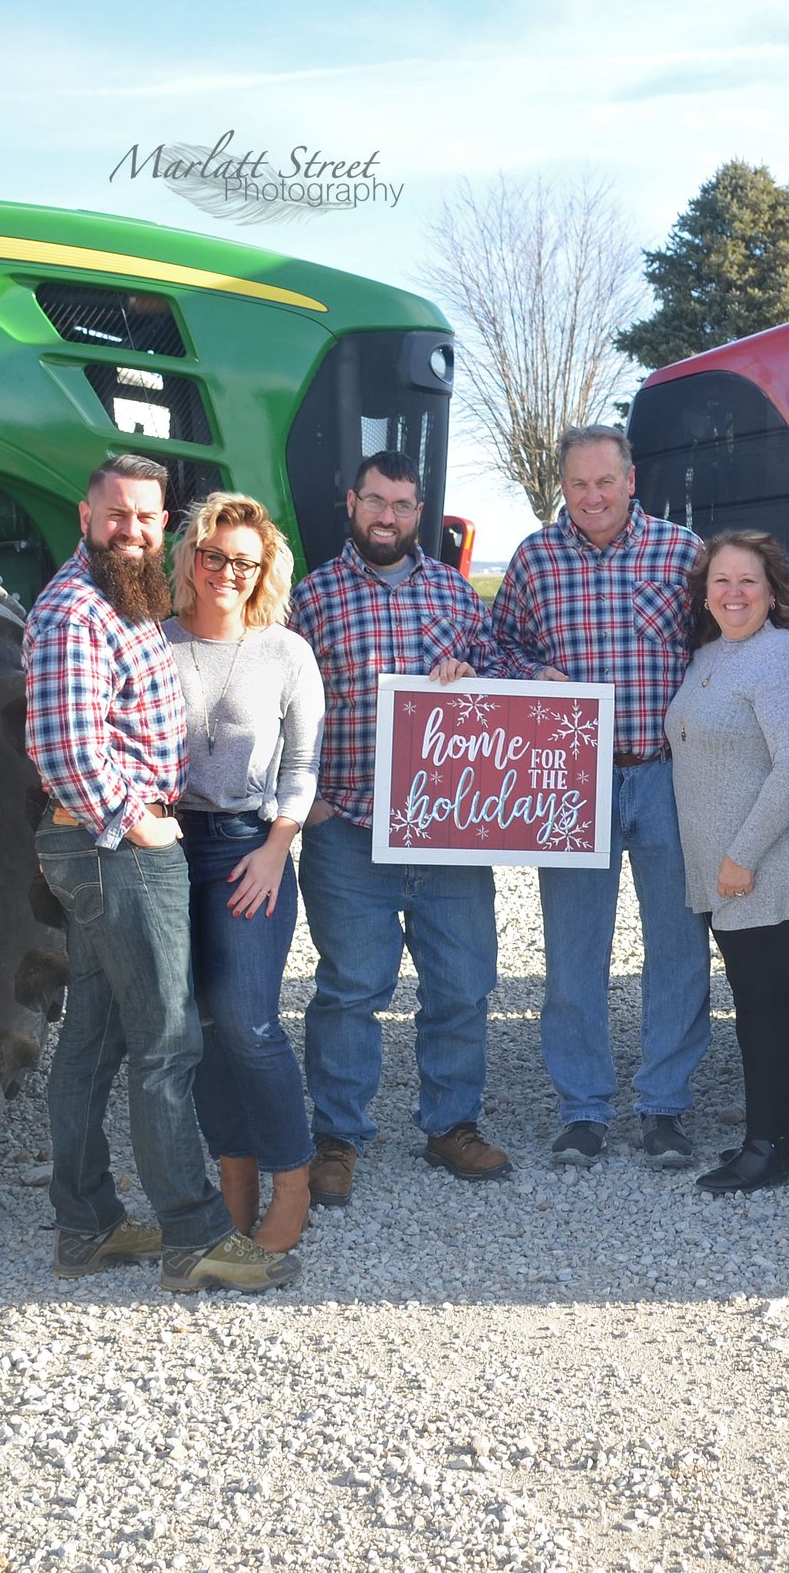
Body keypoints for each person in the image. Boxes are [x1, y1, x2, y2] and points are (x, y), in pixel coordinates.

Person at [24, 453, 298, 1293]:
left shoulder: (123, 599)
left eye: (147, 517)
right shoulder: (76, 610)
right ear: (86, 515)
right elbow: (66, 745)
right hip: (115, 847)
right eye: (117, 514)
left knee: (94, 1036)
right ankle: (194, 1236)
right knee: (169, 1043)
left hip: (103, 845)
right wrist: (137, 820)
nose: (132, 530)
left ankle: (87, 1226)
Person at [287, 452, 515, 1206]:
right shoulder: (312, 598)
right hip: (348, 827)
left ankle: (452, 1125)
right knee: (351, 990)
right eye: (376, 501)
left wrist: (474, 679)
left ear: (421, 514)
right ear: (352, 504)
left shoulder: (456, 593)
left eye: (403, 505)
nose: (388, 517)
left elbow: (502, 693)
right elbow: (281, 703)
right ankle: (338, 1137)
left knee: (463, 986)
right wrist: (307, 801)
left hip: (448, 834)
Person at [491, 425, 711, 1169]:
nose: (592, 497)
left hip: (665, 774)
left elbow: (721, 647)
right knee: (572, 953)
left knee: (677, 948)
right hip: (570, 779)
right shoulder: (534, 558)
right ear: (562, 486)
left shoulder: (682, 553)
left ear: (631, 480)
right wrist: (531, 675)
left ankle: (664, 1107)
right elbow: (500, 645)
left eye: (605, 481)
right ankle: (583, 1109)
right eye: (578, 484)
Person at [163, 492, 324, 1255]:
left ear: (264, 574)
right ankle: (234, 1175)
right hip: (166, 845)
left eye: (245, 564)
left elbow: (302, 765)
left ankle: (293, 1179)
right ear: (191, 557)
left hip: (247, 848)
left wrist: (276, 848)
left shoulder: (286, 653)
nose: (227, 572)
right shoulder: (155, 642)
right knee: (194, 1025)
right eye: (215, 556)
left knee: (248, 1023)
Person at [664, 531, 789, 1193]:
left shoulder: (783, 656)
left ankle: (766, 1149)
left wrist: (742, 855)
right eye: (722, 580)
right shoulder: (710, 654)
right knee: (773, 988)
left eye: (748, 581)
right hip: (727, 858)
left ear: (771, 592)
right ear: (705, 592)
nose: (733, 593)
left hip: (766, 852)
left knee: (759, 999)